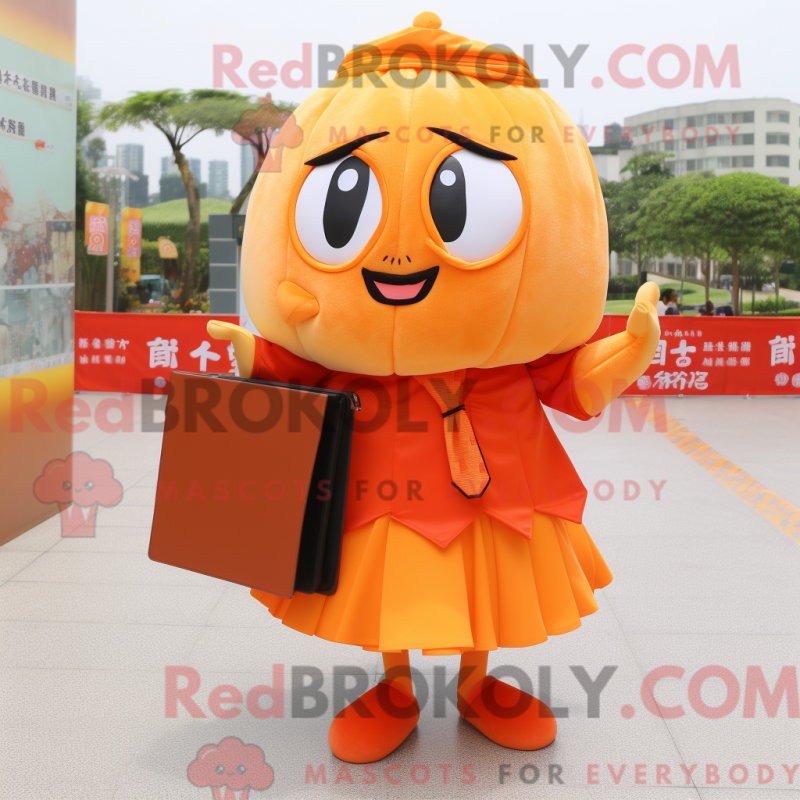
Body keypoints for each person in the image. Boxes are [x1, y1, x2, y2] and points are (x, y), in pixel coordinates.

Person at [208, 12, 661, 764]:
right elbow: (299, 375)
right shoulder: (348, 353)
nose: (399, 256)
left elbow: (572, 381)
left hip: (501, 486)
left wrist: (630, 346)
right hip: (375, 483)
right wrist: (253, 356)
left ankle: (479, 683)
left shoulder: (512, 352)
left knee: (485, 586)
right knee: (388, 585)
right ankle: (395, 685)